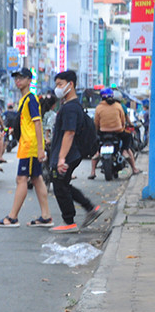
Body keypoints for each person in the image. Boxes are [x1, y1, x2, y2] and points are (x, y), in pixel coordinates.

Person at [0, 68, 52, 227]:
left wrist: (40, 148)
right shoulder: (25, 99)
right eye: (16, 78)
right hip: (27, 145)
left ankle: (13, 217)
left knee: (21, 179)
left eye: (21, 78)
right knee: (37, 179)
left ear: (29, 80)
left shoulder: (31, 99)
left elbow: (37, 123)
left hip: (30, 146)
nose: (17, 80)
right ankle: (46, 216)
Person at [49, 70, 103, 233]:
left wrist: (61, 159)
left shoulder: (71, 108)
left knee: (59, 184)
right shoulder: (71, 106)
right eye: (56, 84)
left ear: (70, 84)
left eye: (60, 84)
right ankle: (90, 208)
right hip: (71, 153)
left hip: (68, 154)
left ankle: (69, 221)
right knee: (63, 184)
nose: (57, 88)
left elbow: (70, 133)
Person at [88, 88, 141, 178]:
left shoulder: (99, 107)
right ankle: (127, 155)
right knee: (127, 136)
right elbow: (123, 120)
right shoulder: (118, 106)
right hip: (117, 132)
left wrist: (97, 131)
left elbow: (96, 123)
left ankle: (93, 171)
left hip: (103, 132)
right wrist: (122, 127)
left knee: (96, 147)